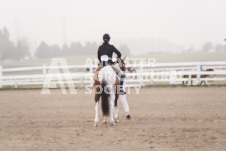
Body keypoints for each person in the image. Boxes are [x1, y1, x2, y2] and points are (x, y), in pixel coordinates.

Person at [97, 33, 131, 119]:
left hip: (101, 65)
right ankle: (120, 89)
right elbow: (119, 54)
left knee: (96, 75)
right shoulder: (111, 46)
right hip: (110, 65)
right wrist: (115, 61)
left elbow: (98, 57)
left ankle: (95, 86)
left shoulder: (100, 48)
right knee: (121, 75)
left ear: (103, 39)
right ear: (109, 39)